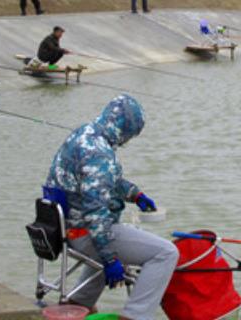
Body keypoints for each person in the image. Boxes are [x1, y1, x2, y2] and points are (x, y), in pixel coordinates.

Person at [43, 94, 178, 320]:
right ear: (125, 130)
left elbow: (101, 182)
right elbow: (96, 217)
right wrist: (111, 260)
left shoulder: (84, 134)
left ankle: (80, 302)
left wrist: (135, 194)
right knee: (165, 253)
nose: (127, 141)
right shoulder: (100, 154)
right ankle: (135, 316)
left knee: (120, 238)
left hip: (64, 226)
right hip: (82, 232)